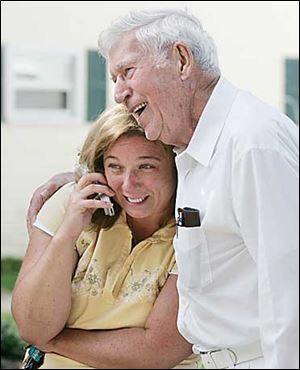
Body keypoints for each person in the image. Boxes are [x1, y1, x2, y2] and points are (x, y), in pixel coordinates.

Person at [26, 8, 299, 369]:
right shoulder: (196, 149)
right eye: (114, 79)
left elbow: (291, 290)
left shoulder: (251, 143)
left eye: (127, 72)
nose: (119, 93)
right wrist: (79, 177)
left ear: (181, 60)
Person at [12, 104, 201, 369]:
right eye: (115, 167)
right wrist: (67, 232)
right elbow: (32, 325)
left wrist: (52, 342)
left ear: (176, 168)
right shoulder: (70, 203)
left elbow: (157, 351)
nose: (128, 184)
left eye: (146, 166)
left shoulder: (195, 229)